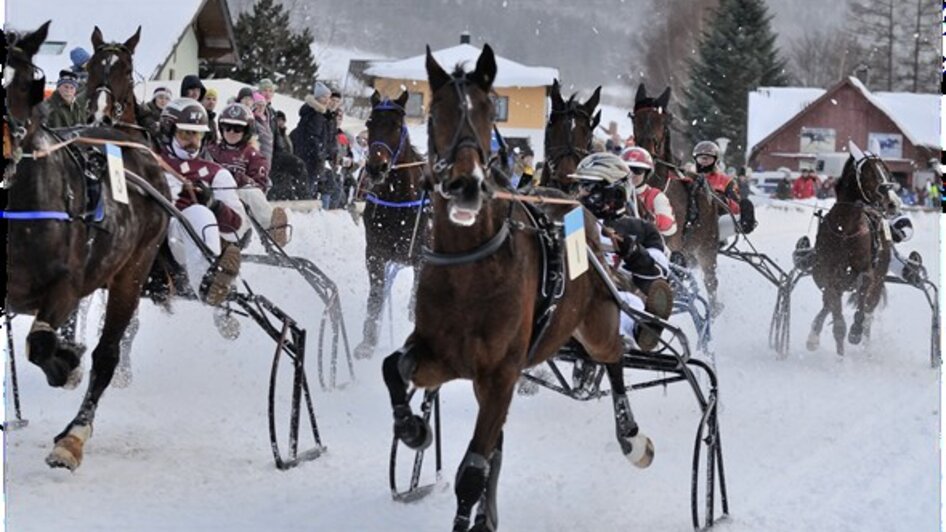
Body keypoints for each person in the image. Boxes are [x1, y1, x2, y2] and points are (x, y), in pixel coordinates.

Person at [568, 152, 674, 351]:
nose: (581, 193)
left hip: (615, 294)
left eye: (588, 187)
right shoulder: (572, 220)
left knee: (627, 301)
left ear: (614, 192)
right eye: (580, 186)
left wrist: (633, 252)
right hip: (574, 291)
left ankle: (635, 331)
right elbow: (574, 267)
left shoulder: (641, 229)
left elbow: (658, 277)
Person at [158, 98, 247, 305]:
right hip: (140, 241)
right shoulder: (148, 161)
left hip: (176, 244)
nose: (192, 141)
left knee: (199, 214)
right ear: (169, 131)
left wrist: (213, 205)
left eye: (196, 134)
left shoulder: (217, 174)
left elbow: (237, 228)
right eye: (185, 134)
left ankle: (210, 285)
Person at [208, 102, 288, 247]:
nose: (231, 132)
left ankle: (272, 228)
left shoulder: (253, 155)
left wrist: (239, 179)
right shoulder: (212, 151)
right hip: (213, 201)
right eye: (227, 127)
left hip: (238, 209)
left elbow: (261, 185)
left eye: (238, 128)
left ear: (247, 131)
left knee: (250, 192)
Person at [692, 140, 756, 233]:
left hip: (717, 221)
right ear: (695, 159)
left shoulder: (726, 181)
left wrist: (723, 200)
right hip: (691, 219)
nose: (704, 161)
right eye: (701, 158)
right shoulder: (688, 178)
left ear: (715, 160)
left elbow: (737, 207)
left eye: (708, 158)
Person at [290, 81, 334, 200]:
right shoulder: (317, 114)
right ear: (318, 98)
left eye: (328, 97)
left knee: (308, 185)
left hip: (307, 154)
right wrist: (319, 154)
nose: (327, 100)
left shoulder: (316, 113)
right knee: (308, 186)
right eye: (324, 97)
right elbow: (313, 136)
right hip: (310, 156)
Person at [620, 147, 677, 238]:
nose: (631, 174)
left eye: (637, 170)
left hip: (643, 244)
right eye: (627, 169)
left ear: (646, 173)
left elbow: (670, 228)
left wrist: (651, 219)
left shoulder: (655, 196)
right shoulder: (611, 191)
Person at [251, 92, 274, 166]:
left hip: (266, 161)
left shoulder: (265, 122)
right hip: (256, 162)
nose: (261, 108)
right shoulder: (252, 121)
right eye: (258, 105)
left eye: (263, 105)